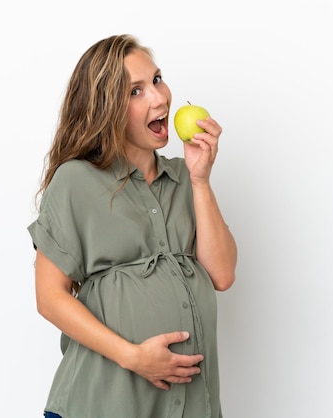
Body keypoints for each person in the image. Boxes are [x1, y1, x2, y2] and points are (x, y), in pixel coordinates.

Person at [27, 34, 237, 418]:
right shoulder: (76, 181)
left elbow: (222, 275)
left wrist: (201, 180)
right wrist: (134, 357)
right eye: (135, 92)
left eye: (157, 80)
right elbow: (49, 297)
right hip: (102, 404)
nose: (159, 98)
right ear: (105, 109)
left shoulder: (186, 180)